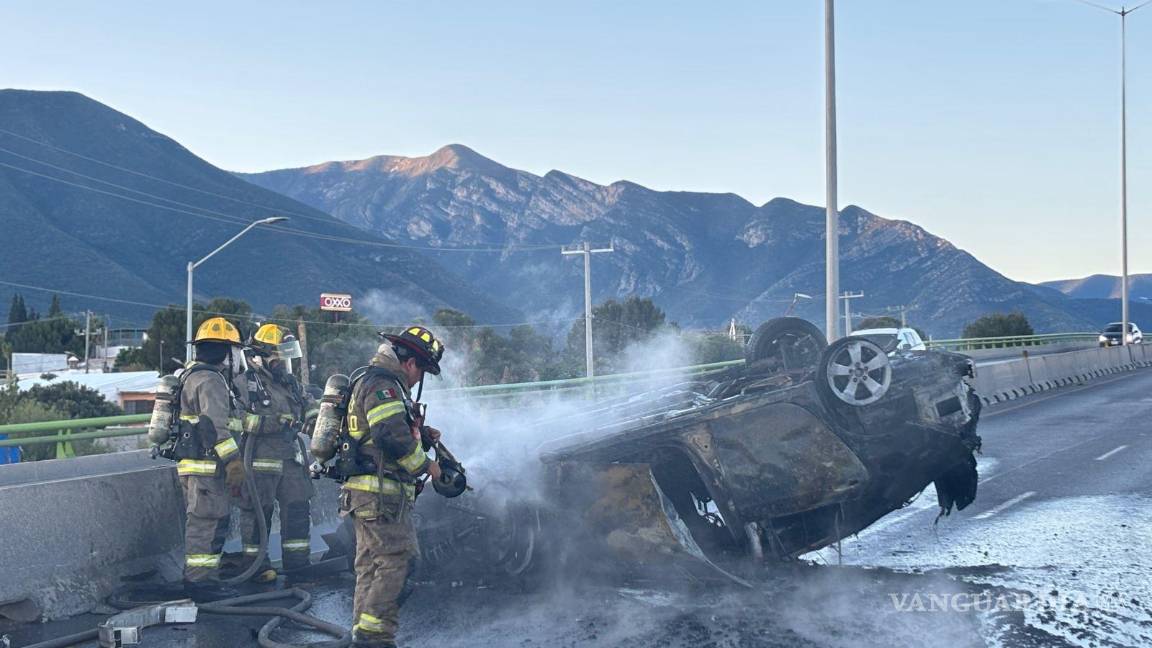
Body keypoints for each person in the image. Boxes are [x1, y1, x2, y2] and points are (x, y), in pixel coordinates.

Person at [341, 326, 446, 648]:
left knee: (373, 564)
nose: (418, 379)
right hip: (380, 494)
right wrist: (425, 466)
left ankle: (364, 633)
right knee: (399, 559)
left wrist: (421, 433)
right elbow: (388, 434)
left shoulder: (373, 381)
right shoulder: (384, 384)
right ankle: (374, 636)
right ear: (411, 363)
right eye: (423, 371)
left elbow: (383, 430)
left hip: (365, 493)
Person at [235, 323, 314, 582]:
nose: (282, 363)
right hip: (259, 460)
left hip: (290, 458)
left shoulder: (289, 384)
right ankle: (256, 568)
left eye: (285, 357)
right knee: (258, 514)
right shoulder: (245, 384)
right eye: (277, 356)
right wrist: (275, 422)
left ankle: (298, 565)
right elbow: (236, 420)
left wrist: (317, 421)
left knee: (299, 509)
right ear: (260, 355)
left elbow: (309, 406)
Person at [178, 317, 247, 600]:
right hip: (207, 467)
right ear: (227, 352)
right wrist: (233, 461)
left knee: (206, 520)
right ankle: (199, 583)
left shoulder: (189, 375)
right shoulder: (211, 381)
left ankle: (206, 579)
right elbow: (217, 427)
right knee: (205, 522)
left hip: (194, 464)